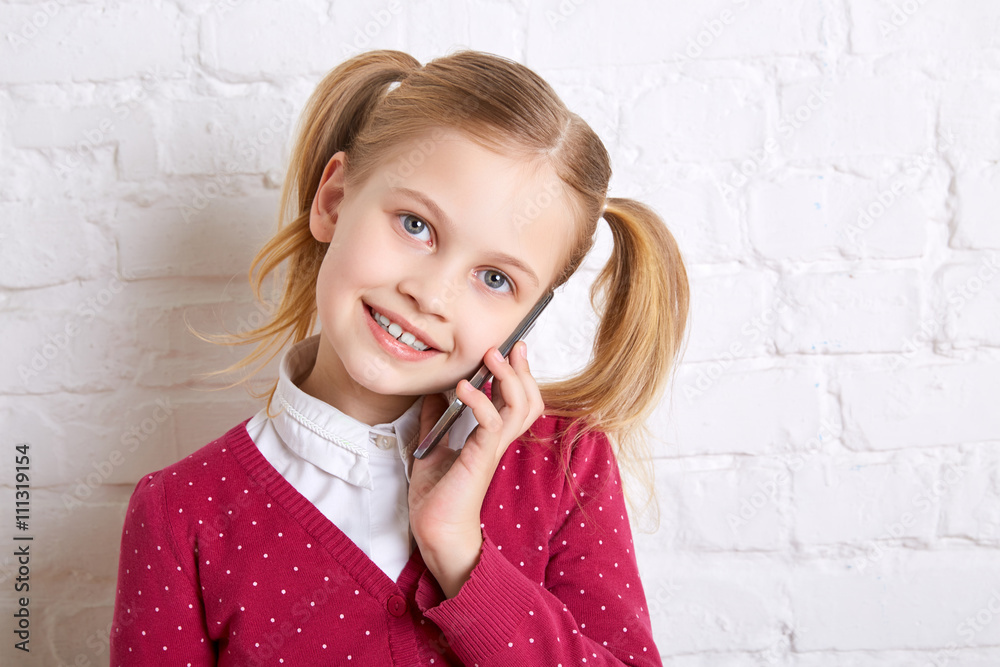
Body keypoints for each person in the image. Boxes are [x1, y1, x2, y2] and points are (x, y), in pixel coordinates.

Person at [110, 49, 689, 666]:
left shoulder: (562, 466)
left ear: (528, 317)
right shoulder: (181, 512)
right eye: (415, 225)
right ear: (333, 200)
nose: (430, 295)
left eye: (494, 279)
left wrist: (462, 555)